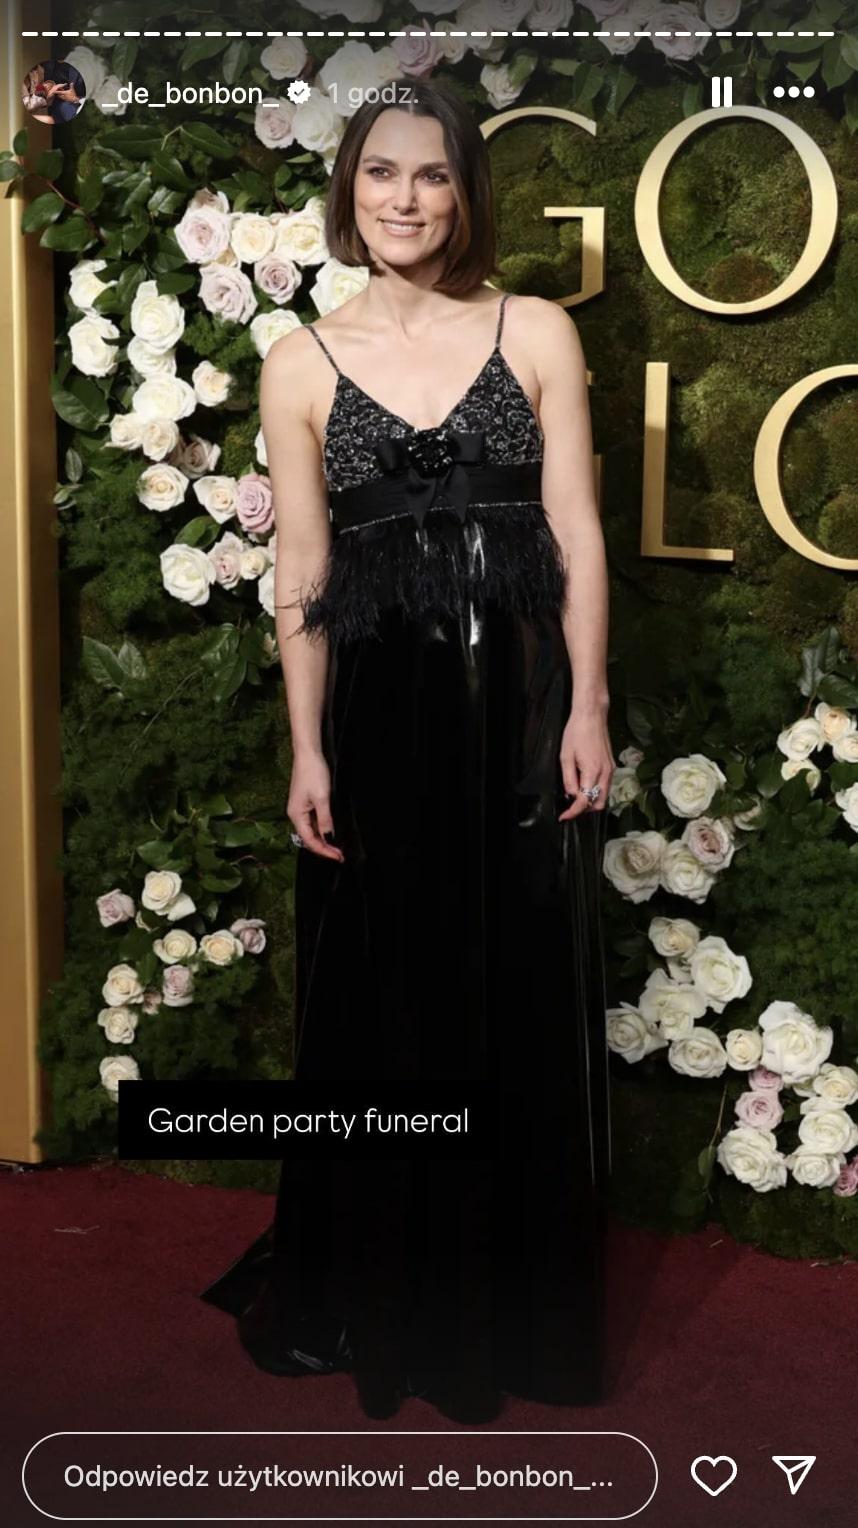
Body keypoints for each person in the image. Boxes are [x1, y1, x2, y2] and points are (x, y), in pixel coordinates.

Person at [200, 78, 615, 1425]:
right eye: (382, 172)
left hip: (519, 714)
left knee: (513, 990)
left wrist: (588, 705)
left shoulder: (533, 329)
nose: (405, 198)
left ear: (464, 192)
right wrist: (305, 750)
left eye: (432, 175)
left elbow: (576, 531)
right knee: (385, 1007)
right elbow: (302, 572)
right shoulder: (298, 362)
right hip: (377, 728)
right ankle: (387, 1294)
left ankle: (504, 1314)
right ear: (349, 189)